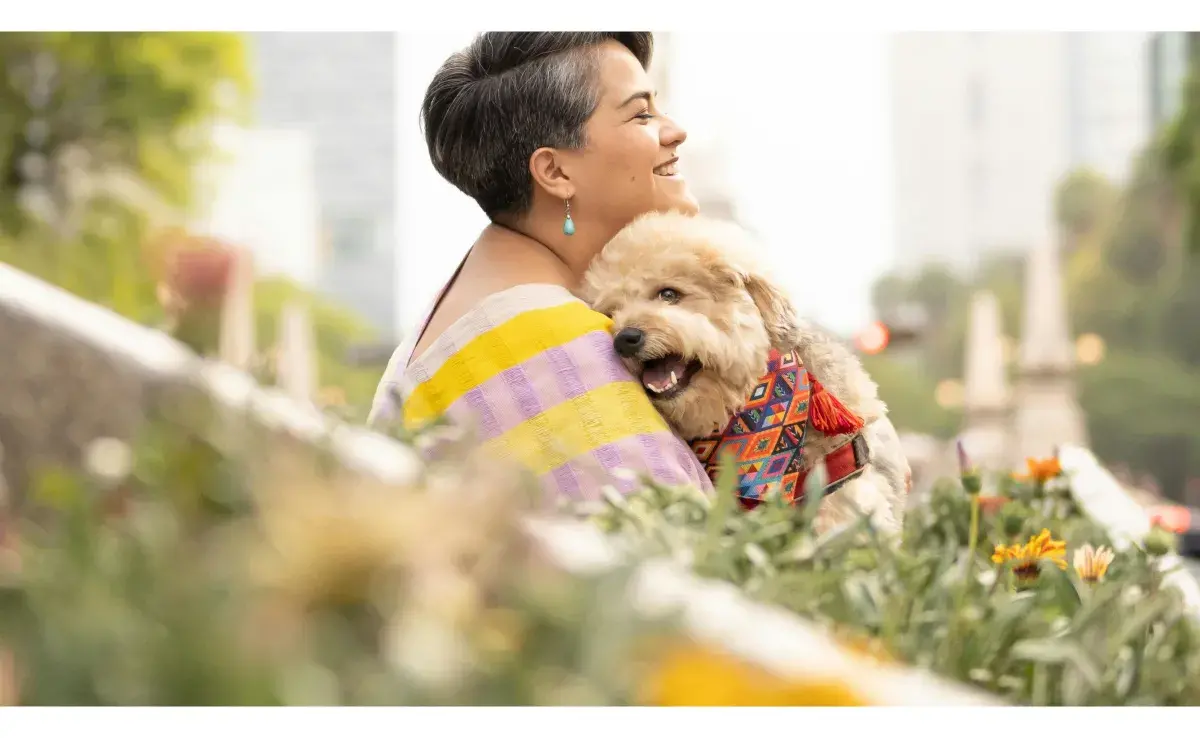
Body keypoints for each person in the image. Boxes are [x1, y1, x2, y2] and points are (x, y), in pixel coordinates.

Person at [368, 32, 712, 499]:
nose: (674, 131)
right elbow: (680, 555)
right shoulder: (561, 353)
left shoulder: (472, 309)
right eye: (641, 114)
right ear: (555, 172)